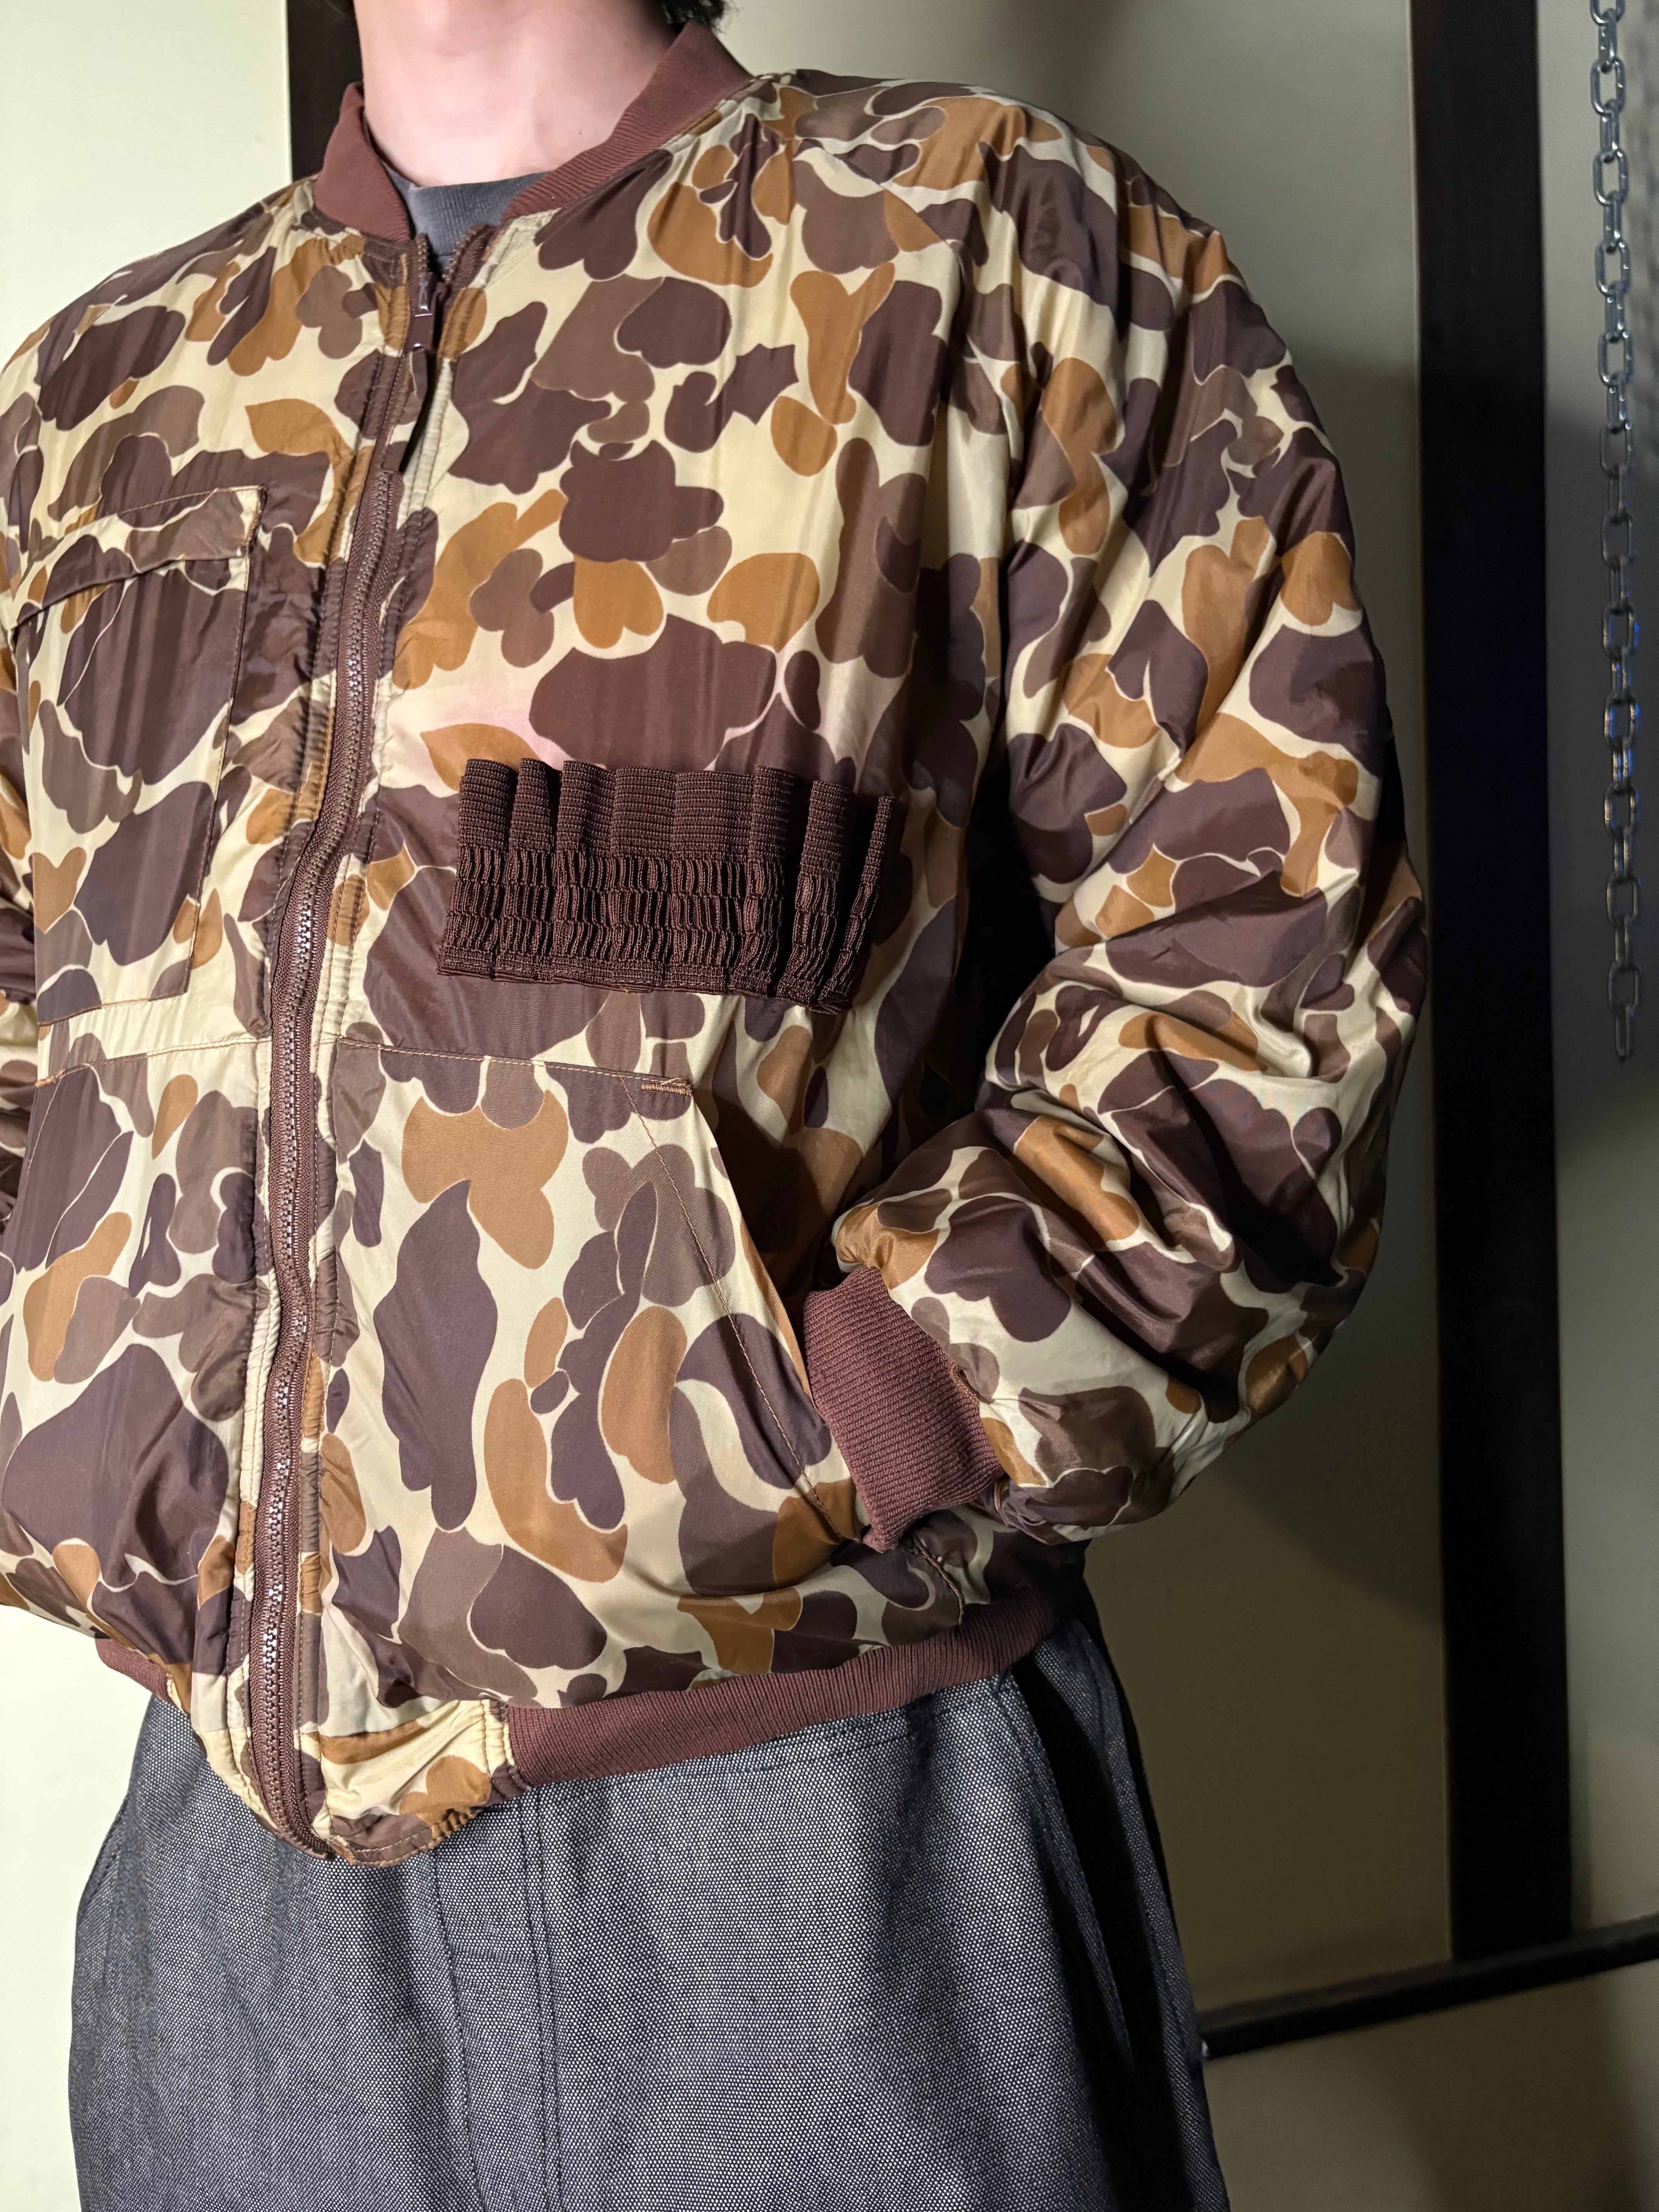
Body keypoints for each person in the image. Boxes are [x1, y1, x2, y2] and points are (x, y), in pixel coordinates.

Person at [0, 0, 1426, 2204]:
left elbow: (1263, 979)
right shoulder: (106, 398)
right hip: (233, 1892)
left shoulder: (988, 250)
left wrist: (862, 1409)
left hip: (827, 1833)